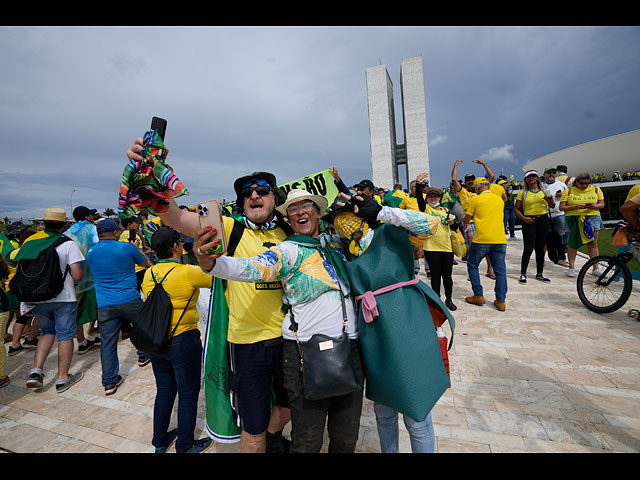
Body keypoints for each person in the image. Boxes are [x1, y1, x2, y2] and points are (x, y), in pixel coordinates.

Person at [127, 134, 292, 453]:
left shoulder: (288, 231)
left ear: (274, 198)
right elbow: (176, 218)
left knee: (290, 406)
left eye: (261, 190)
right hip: (247, 343)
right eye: (247, 192)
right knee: (252, 426)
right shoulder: (230, 227)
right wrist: (152, 179)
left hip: (288, 341)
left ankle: (274, 435)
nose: (254, 195)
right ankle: (264, 438)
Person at [195, 189, 364, 453]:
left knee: (346, 437)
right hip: (306, 355)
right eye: (293, 210)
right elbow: (252, 267)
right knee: (307, 440)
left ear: (318, 211)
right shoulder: (288, 250)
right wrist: (211, 265)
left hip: (349, 349)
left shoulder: (337, 244)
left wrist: (375, 213)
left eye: (306, 206)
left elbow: (422, 232)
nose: (299, 212)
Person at [141, 227, 214, 454]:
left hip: (155, 340)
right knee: (188, 392)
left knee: (164, 390)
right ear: (175, 247)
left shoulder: (148, 274)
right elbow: (217, 279)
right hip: (183, 339)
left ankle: (160, 441)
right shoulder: (188, 272)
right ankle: (185, 445)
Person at [14, 208, 86, 393]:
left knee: (46, 332)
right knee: (65, 336)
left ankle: (36, 370)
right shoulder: (67, 244)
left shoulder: (30, 242)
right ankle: (62, 378)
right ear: (63, 225)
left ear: (44, 223)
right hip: (63, 298)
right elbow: (77, 274)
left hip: (36, 298)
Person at [86, 219, 153, 395]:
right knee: (144, 325)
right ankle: (143, 355)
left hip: (105, 304)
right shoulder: (126, 247)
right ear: (116, 232)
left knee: (107, 342)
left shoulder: (91, 251)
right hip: (129, 298)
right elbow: (145, 263)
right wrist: (136, 247)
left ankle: (109, 381)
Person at [462, 178, 508, 311]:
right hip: (499, 239)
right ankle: (501, 301)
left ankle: (478, 295)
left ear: (477, 188)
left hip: (482, 238)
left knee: (472, 265)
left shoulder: (475, 200)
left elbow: (466, 219)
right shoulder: (499, 199)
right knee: (500, 271)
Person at [416, 184, 457, 311]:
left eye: (436, 196)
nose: (433, 199)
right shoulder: (427, 209)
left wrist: (453, 222)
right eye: (431, 196)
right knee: (435, 276)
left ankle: (449, 299)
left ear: (440, 198)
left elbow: (455, 228)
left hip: (447, 248)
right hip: (431, 248)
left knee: (447, 276)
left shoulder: (446, 210)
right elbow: (419, 199)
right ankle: (436, 299)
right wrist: (418, 184)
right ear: (427, 198)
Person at [66, 205, 100, 354]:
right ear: (87, 217)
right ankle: (99, 334)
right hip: (93, 275)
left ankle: (81, 342)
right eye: (91, 215)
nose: (93, 217)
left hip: (75, 276)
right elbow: (98, 247)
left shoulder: (67, 232)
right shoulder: (92, 229)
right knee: (99, 305)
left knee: (76, 309)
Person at [559, 172, 605, 278]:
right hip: (573, 218)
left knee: (592, 243)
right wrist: (575, 207)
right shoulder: (568, 190)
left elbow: (602, 204)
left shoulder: (596, 189)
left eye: (587, 183)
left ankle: (596, 268)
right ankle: (571, 268)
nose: (585, 186)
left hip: (592, 217)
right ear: (577, 182)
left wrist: (594, 206)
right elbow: (562, 207)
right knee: (572, 243)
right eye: (582, 183)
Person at [514, 170, 555, 283]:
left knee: (540, 248)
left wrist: (550, 200)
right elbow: (516, 208)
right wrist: (524, 218)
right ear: (526, 180)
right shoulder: (522, 193)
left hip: (543, 219)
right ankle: (523, 274)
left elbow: (552, 205)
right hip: (529, 220)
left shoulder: (545, 191)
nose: (531, 178)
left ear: (537, 178)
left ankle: (540, 273)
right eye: (528, 177)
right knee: (528, 248)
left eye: (533, 176)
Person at [542, 167, 569, 267]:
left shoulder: (561, 184)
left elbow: (569, 195)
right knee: (544, 239)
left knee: (559, 237)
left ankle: (561, 258)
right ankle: (541, 259)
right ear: (544, 174)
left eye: (553, 173)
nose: (551, 175)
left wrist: (562, 195)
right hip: (545, 215)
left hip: (559, 214)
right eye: (549, 173)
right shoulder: (541, 186)